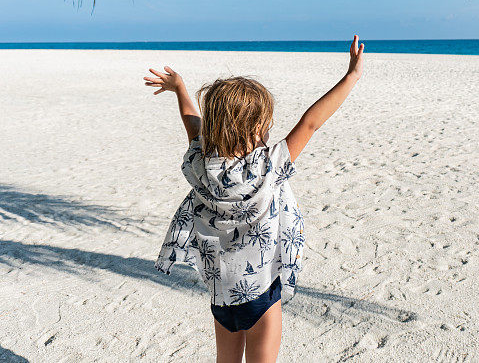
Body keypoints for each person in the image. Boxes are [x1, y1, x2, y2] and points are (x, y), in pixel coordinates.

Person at [144, 35, 365, 363]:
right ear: (259, 125)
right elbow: (311, 123)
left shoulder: (201, 162)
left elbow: (193, 125)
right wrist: (351, 77)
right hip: (260, 292)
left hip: (221, 293)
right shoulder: (268, 165)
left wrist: (180, 89)